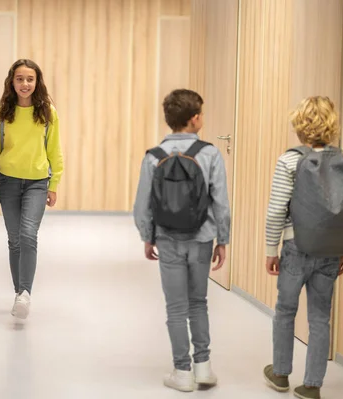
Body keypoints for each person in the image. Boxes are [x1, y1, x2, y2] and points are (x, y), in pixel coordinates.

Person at [133, 89, 231, 392]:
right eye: (201, 113)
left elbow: (141, 206)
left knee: (175, 307)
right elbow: (221, 203)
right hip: (201, 239)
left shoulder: (154, 157)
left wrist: (148, 237)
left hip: (168, 239)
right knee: (198, 302)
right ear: (194, 119)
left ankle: (182, 371)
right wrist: (222, 239)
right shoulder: (210, 153)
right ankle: (204, 368)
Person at [263, 96, 343, 399]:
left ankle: (280, 373)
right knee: (320, 317)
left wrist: (270, 249)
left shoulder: (289, 159)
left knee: (286, 310)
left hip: (296, 247)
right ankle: (312, 385)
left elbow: (277, 209)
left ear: (299, 124)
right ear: (331, 125)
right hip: (330, 250)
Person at [0, 59, 64, 320]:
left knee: (28, 234)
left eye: (30, 79)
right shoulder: (0, 115)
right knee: (15, 240)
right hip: (7, 182)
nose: (25, 84)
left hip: (37, 183)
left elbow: (55, 152)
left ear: (37, 82)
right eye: (20, 79)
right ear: (12, 82)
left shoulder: (48, 113)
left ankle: (25, 293)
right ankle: (20, 293)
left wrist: (53, 184)